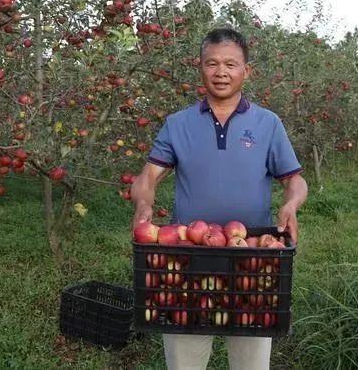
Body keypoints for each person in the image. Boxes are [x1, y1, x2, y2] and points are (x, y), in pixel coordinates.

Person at [130, 27, 308, 370]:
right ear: (200, 67)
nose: (221, 72)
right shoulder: (178, 123)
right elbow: (149, 175)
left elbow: (294, 179)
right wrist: (143, 204)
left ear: (246, 71)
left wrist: (291, 204)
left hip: (251, 259)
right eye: (212, 63)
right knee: (185, 357)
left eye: (230, 63)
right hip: (187, 259)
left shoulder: (268, 123)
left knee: (251, 359)